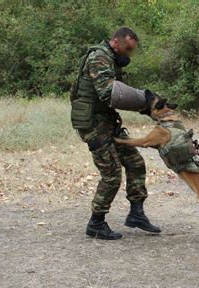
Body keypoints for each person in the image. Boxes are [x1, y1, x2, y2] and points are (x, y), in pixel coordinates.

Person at [70, 27, 161, 240]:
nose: (129, 54)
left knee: (135, 162)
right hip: (93, 124)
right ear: (116, 42)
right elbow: (109, 93)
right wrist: (144, 100)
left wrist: (149, 107)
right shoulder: (99, 57)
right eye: (127, 48)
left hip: (107, 122)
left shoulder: (111, 59)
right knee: (111, 175)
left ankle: (136, 214)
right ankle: (96, 223)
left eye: (132, 50)